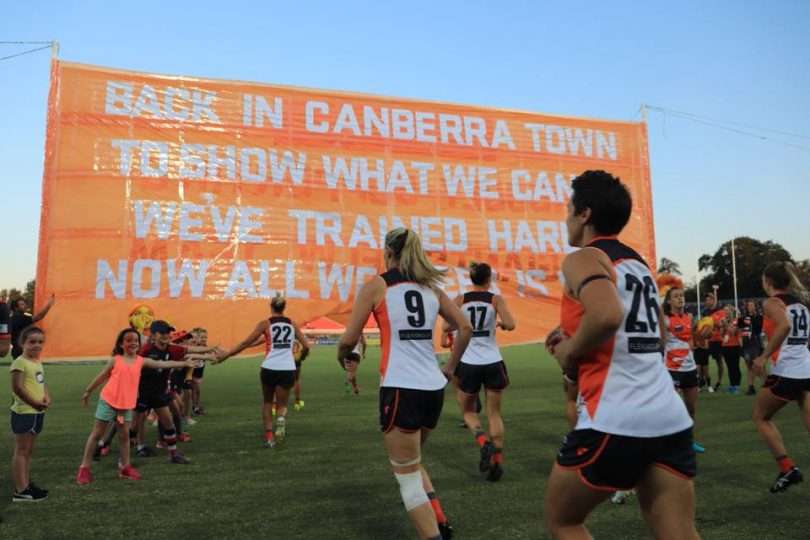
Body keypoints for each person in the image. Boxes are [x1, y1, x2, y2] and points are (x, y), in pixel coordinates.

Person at [543, 170, 696, 539]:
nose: (565, 215)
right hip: (669, 418)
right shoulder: (638, 264)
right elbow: (657, 338)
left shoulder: (582, 259)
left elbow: (608, 315)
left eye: (568, 207)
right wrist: (577, 334)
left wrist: (569, 351)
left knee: (563, 520)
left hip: (615, 418)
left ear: (585, 214)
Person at [336, 227, 472, 540]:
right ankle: (440, 521)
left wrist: (343, 356)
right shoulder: (432, 289)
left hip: (400, 389)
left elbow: (349, 339)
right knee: (413, 461)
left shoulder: (376, 286)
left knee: (407, 477)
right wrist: (449, 369)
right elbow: (464, 328)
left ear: (388, 252)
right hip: (433, 389)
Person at [76, 328, 199, 485]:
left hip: (123, 407)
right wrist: (87, 391)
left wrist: (183, 362)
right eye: (128, 340)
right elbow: (102, 376)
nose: (133, 343)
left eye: (135, 340)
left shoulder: (141, 361)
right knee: (97, 434)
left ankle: (125, 468)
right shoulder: (116, 360)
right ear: (121, 344)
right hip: (108, 403)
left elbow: (163, 363)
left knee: (124, 436)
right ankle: (84, 469)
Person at [215, 295, 310, 448]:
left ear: (270, 306)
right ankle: (280, 420)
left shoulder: (265, 324)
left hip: (269, 367)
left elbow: (246, 343)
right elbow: (306, 346)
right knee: (282, 404)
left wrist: (225, 356)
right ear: (283, 308)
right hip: (287, 368)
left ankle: (269, 436)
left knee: (267, 402)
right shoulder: (292, 324)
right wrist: (303, 357)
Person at [452, 261, 515, 481]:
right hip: (492, 361)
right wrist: (503, 325)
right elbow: (511, 323)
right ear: (489, 280)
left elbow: (447, 325)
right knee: (494, 414)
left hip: (469, 362)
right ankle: (497, 462)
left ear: (472, 279)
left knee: (469, 411)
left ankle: (482, 441)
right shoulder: (495, 299)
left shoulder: (461, 299)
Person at [751, 261, 810, 493]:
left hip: (789, 372)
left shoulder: (771, 302)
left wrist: (763, 357)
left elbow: (784, 326)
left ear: (768, 281)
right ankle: (788, 470)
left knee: (760, 417)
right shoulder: (803, 305)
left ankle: (787, 469)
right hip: (806, 369)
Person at [131, 320, 217, 463]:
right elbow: (134, 370)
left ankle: (174, 455)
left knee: (168, 423)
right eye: (162, 333)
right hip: (143, 394)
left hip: (159, 394)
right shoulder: (145, 350)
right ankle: (122, 455)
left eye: (168, 332)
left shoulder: (171, 348)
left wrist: (210, 349)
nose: (166, 335)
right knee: (133, 428)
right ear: (153, 335)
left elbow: (190, 350)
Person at [659, 279, 708, 453]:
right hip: (672, 369)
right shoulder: (664, 319)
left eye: (681, 295)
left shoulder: (689, 317)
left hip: (690, 368)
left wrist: (701, 336)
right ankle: (666, 443)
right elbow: (660, 343)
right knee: (670, 408)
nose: (680, 298)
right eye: (676, 296)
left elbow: (692, 341)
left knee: (691, 408)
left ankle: (688, 441)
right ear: (669, 301)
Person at [9, 326, 50, 502]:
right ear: (22, 343)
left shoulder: (36, 362)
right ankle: (21, 490)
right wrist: (34, 403)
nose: (36, 345)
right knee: (22, 450)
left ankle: (26, 485)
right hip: (25, 412)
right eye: (32, 342)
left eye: (40, 342)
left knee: (29, 450)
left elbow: (41, 384)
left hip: (36, 411)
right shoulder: (20, 362)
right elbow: (17, 388)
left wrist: (47, 398)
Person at [9, 294, 55, 359]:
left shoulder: (12, 319)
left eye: (24, 304)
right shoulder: (20, 318)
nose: (25, 306)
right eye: (22, 304)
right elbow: (39, 316)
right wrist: (49, 305)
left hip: (18, 351)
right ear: (15, 308)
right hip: (22, 352)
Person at [700, 291, 726, 392]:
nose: (708, 301)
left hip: (718, 340)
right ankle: (702, 381)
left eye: (710, 299)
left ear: (713, 300)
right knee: (703, 362)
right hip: (707, 340)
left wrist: (713, 323)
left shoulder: (719, 310)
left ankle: (719, 382)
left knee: (719, 361)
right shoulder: (704, 312)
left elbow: (721, 324)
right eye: (706, 300)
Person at [739, 300, 764, 395]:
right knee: (749, 366)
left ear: (755, 306)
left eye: (751, 305)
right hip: (746, 342)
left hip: (756, 342)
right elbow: (740, 327)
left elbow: (758, 328)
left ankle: (764, 386)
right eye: (748, 305)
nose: (749, 306)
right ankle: (751, 387)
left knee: (759, 366)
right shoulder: (743, 317)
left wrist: (752, 317)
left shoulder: (759, 317)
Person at [721, 304, 743, 394]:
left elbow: (734, 332)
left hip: (734, 345)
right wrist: (723, 327)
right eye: (725, 310)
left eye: (728, 310)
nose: (726, 312)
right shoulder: (724, 320)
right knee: (729, 367)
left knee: (735, 366)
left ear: (731, 311)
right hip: (725, 346)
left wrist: (727, 325)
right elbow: (722, 334)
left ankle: (737, 386)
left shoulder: (736, 320)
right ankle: (732, 385)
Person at [292, 336, 307, 410]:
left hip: (284, 360)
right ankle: (297, 403)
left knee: (279, 381)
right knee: (296, 380)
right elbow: (306, 347)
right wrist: (303, 357)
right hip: (296, 360)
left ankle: (274, 405)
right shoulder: (298, 336)